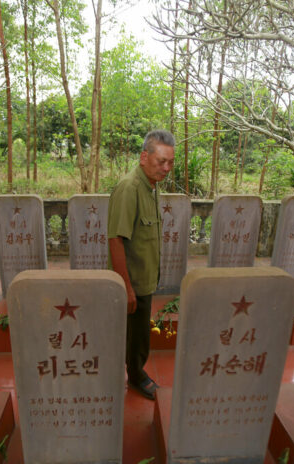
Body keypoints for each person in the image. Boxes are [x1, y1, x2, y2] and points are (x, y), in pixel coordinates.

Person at [107, 129, 175, 400]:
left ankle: (131, 370)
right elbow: (116, 239)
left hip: (144, 278)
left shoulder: (150, 186)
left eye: (170, 162)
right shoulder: (130, 188)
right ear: (144, 157)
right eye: (161, 161)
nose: (166, 168)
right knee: (137, 337)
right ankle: (136, 375)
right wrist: (127, 287)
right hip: (133, 281)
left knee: (137, 333)